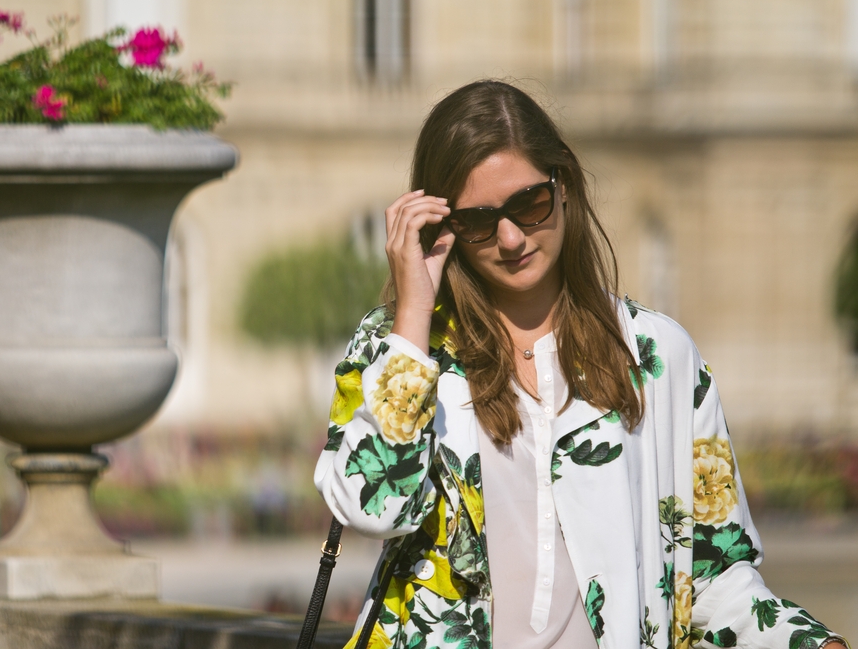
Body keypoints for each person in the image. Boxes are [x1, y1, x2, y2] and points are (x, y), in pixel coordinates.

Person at [314, 80, 849, 649]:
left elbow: (715, 573)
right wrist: (415, 311)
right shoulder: (401, 347)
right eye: (479, 220)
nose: (512, 237)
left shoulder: (658, 358)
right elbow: (372, 509)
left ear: (563, 186)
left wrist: (814, 643)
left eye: (529, 204)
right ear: (444, 227)